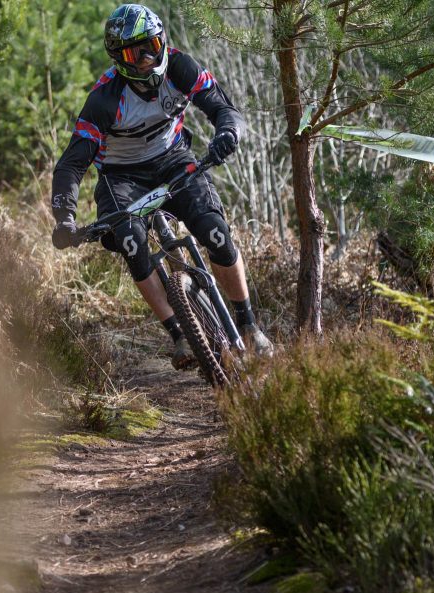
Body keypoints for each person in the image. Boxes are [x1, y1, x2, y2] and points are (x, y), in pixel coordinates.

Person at [50, 4, 273, 368]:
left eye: (151, 46)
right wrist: (65, 217)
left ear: (162, 41)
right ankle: (180, 334)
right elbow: (72, 165)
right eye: (132, 53)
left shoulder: (181, 67)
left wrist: (228, 133)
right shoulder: (104, 100)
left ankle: (248, 325)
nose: (144, 59)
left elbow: (224, 109)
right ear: (117, 58)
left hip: (172, 158)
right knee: (130, 241)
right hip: (121, 177)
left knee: (215, 231)